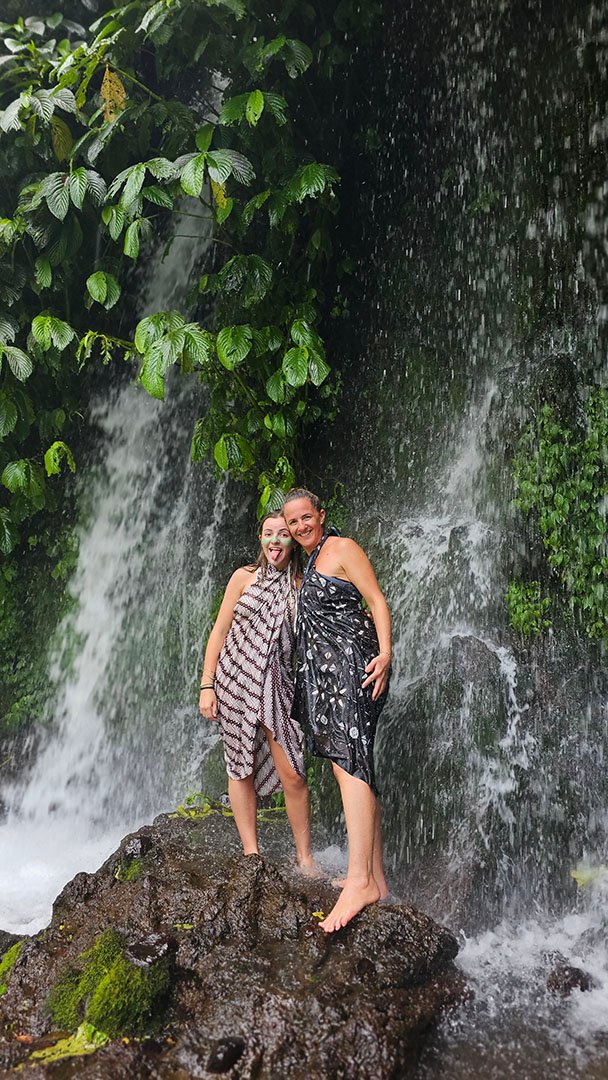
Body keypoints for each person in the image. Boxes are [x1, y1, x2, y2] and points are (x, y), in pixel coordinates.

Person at [283, 488, 391, 931]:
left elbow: (376, 600)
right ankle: (376, 880)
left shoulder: (343, 548)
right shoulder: (307, 564)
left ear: (321, 515)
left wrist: (385, 654)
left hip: (353, 668)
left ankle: (359, 881)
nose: (300, 526)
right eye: (293, 522)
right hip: (328, 679)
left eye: (306, 517)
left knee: (351, 767)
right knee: (352, 766)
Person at [199, 512, 316, 873]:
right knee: (240, 767)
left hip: (277, 685)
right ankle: (252, 853)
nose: (275, 541)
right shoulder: (242, 577)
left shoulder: (301, 585)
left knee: (293, 773)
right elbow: (219, 631)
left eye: (283, 534)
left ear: (292, 541)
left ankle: (305, 858)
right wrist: (207, 684)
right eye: (268, 533)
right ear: (261, 538)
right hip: (234, 680)